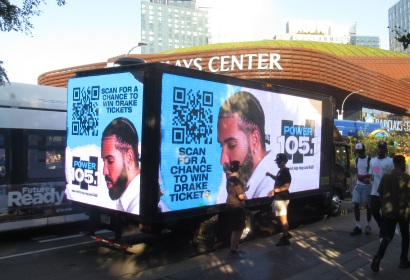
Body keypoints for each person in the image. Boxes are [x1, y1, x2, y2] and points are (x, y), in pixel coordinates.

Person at [216, 91, 274, 203]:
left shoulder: (268, 187)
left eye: (232, 145)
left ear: (255, 139)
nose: (222, 160)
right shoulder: (233, 179)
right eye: (221, 145)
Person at [371, 155, 410, 272]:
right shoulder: (406, 177)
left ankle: (379, 255)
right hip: (402, 211)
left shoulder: (386, 176)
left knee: (387, 236)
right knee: (405, 235)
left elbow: (380, 194)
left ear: (393, 163)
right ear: (402, 163)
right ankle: (403, 260)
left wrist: (383, 207)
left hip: (388, 211)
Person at [101, 117, 141, 214]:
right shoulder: (126, 200)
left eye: (110, 161)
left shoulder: (137, 207)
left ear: (129, 157)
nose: (104, 171)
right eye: (103, 161)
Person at [267, 153, 292, 246]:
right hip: (278, 198)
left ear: (284, 162)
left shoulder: (285, 172)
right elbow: (277, 179)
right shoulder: (281, 171)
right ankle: (286, 233)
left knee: (283, 219)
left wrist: (274, 191)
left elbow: (286, 186)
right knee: (276, 216)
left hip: (282, 199)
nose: (277, 163)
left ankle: (285, 238)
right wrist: (270, 175)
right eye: (277, 161)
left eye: (279, 161)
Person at [369, 141, 394, 234]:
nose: (380, 149)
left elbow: (392, 176)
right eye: (379, 147)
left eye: (382, 148)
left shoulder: (390, 161)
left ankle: (383, 232)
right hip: (375, 191)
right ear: (377, 148)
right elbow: (372, 175)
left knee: (384, 213)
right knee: (373, 210)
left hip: (385, 193)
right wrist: (369, 180)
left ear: (385, 149)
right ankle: (383, 227)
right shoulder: (372, 161)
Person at [350, 143, 373, 236]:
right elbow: (357, 172)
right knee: (356, 203)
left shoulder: (369, 160)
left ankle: (368, 225)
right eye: (357, 152)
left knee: (368, 205)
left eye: (360, 152)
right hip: (358, 185)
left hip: (367, 185)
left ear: (364, 151)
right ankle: (358, 226)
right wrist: (358, 177)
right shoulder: (356, 160)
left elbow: (371, 174)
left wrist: (362, 176)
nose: (358, 154)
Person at [226, 160, 247, 259]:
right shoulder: (237, 181)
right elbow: (241, 196)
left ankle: (235, 248)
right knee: (237, 229)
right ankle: (233, 250)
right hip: (237, 207)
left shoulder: (229, 179)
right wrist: (244, 194)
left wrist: (243, 190)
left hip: (230, 205)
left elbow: (233, 191)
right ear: (239, 168)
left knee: (237, 229)